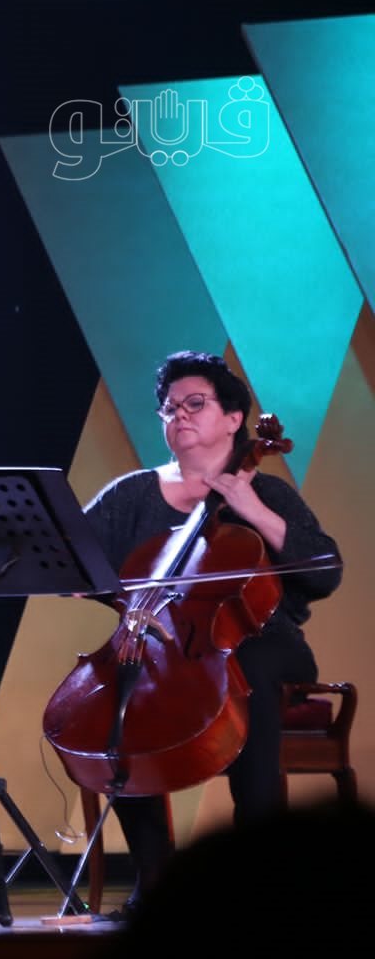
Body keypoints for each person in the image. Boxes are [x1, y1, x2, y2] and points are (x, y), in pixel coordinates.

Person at [80, 350, 342, 917]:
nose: (179, 414)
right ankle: (155, 877)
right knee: (119, 700)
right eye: (169, 407)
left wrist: (251, 507)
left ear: (232, 418)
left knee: (246, 674)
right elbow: (77, 561)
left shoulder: (269, 494)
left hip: (265, 640)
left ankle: (260, 878)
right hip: (163, 646)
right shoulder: (133, 494)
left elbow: (324, 573)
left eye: (194, 403)